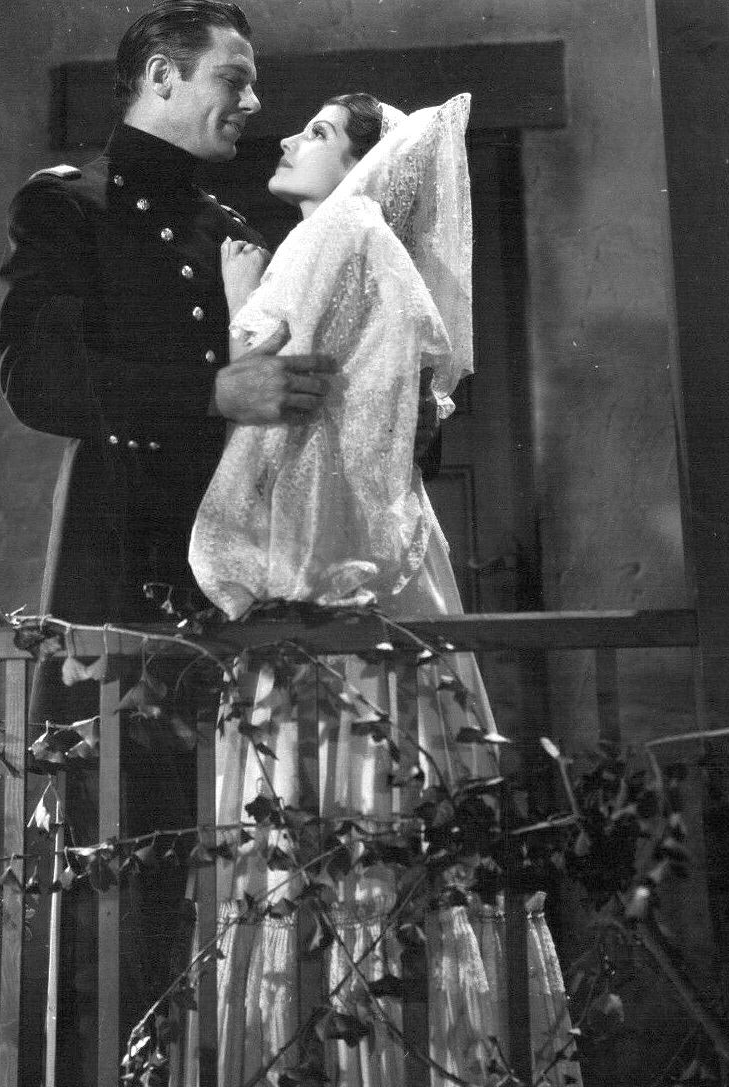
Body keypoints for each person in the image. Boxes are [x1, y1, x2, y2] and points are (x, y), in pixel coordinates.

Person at [185, 93, 583, 1085]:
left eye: (318, 133)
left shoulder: (344, 227)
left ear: (367, 163)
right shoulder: (355, 242)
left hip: (337, 570)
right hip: (363, 553)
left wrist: (239, 297)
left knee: (353, 806)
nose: (289, 138)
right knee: (368, 805)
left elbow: (264, 369)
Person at [0, 3, 334, 1082]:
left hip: (239, 583)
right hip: (121, 576)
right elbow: (37, 382)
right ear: (160, 76)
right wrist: (211, 392)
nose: (253, 101)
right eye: (234, 77)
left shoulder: (234, 224)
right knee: (117, 875)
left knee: (244, 868)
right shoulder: (69, 207)